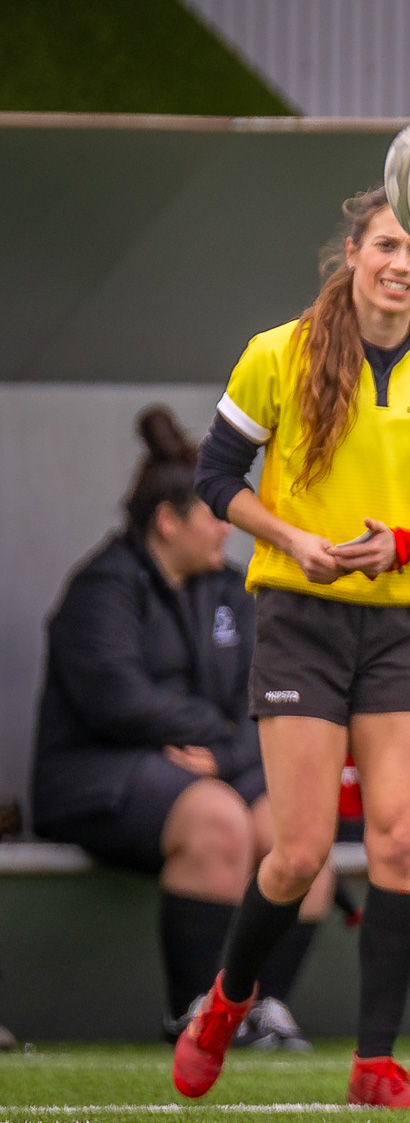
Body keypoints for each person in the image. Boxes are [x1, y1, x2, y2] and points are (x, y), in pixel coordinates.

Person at [175, 186, 410, 1108]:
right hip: (300, 622)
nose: (402, 264)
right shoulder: (277, 355)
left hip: (400, 625)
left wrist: (403, 544)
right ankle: (226, 1005)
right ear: (352, 251)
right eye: (386, 245)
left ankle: (374, 1067)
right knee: (302, 850)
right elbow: (215, 477)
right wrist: (291, 540)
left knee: (398, 844)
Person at [31, 407, 328, 1049]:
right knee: (218, 820)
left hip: (212, 768)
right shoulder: (102, 589)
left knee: (303, 841)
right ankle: (194, 1017)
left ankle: (259, 1011)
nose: (227, 527)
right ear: (168, 522)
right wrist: (219, 740)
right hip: (94, 777)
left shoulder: (231, 588)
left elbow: (266, 694)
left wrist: (221, 752)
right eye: (214, 513)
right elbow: (119, 701)